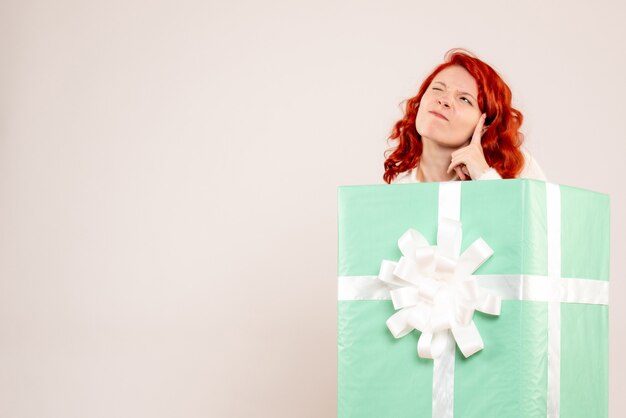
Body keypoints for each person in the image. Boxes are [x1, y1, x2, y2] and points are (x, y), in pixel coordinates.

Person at [383, 49, 546, 184]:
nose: (444, 100)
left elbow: (535, 223)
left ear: (485, 125)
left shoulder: (518, 167)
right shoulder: (398, 188)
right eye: (438, 89)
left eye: (464, 99)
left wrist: (484, 176)